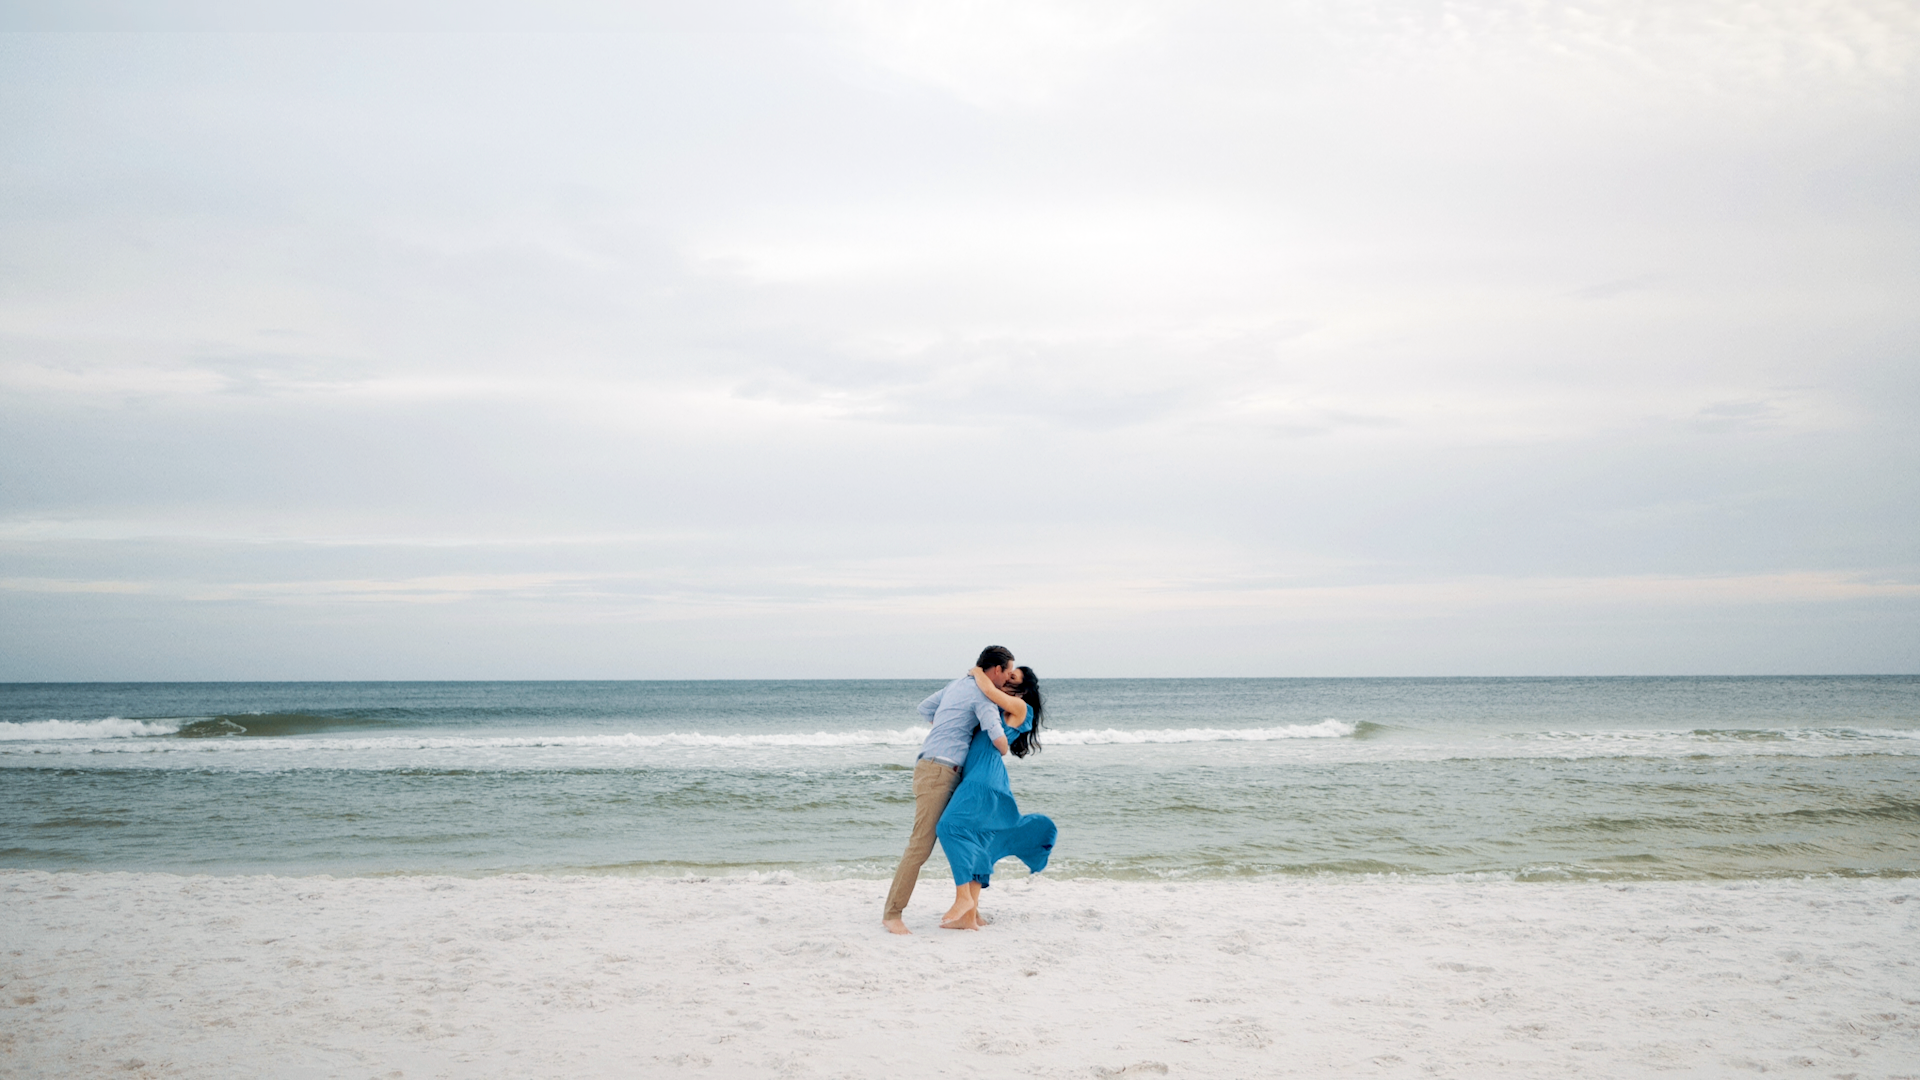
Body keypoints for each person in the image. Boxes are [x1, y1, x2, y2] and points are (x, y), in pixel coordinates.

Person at [882, 646, 1020, 935]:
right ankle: (892, 914)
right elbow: (1000, 742)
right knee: (920, 846)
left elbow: (924, 708)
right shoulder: (982, 695)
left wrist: (948, 728)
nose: (1008, 678)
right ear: (996, 670)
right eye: (1007, 672)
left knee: (963, 836)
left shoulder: (956, 685)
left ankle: (970, 910)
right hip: (940, 772)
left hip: (936, 767)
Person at [935, 664, 1055, 930]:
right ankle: (970, 918)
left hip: (985, 777)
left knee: (947, 827)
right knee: (978, 839)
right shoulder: (996, 709)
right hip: (980, 774)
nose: (1007, 678)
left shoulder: (1021, 707)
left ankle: (963, 898)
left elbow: (988, 689)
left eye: (1013, 676)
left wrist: (978, 671)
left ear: (1023, 689)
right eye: (1008, 674)